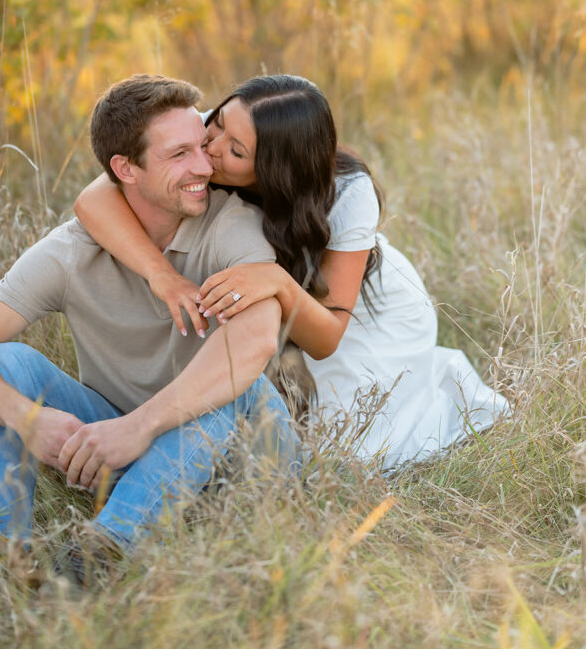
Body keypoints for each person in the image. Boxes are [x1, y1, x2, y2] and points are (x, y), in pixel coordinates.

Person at [0, 75, 297, 565]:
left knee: (233, 381)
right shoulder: (70, 250)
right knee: (4, 360)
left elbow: (255, 343)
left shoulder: (232, 225)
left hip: (247, 463)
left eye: (201, 146)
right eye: (179, 154)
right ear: (125, 168)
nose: (205, 165)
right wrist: (27, 420)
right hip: (130, 449)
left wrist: (140, 427)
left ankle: (101, 554)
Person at [75, 74, 509, 471]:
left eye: (237, 151)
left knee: (341, 456)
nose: (212, 147)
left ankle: (443, 395)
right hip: (282, 293)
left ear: (275, 168)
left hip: (361, 311)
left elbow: (326, 338)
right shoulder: (218, 130)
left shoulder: (348, 193)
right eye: (220, 121)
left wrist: (277, 281)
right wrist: (162, 276)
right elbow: (93, 200)